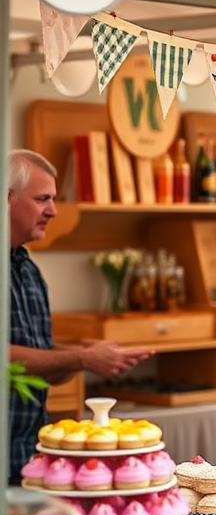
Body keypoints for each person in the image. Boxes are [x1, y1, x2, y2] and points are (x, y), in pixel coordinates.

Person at [7, 149, 154, 485]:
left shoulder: (28, 270)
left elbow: (35, 357)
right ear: (8, 197)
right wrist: (83, 357)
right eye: (42, 198)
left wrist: (86, 356)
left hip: (26, 458)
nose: (53, 211)